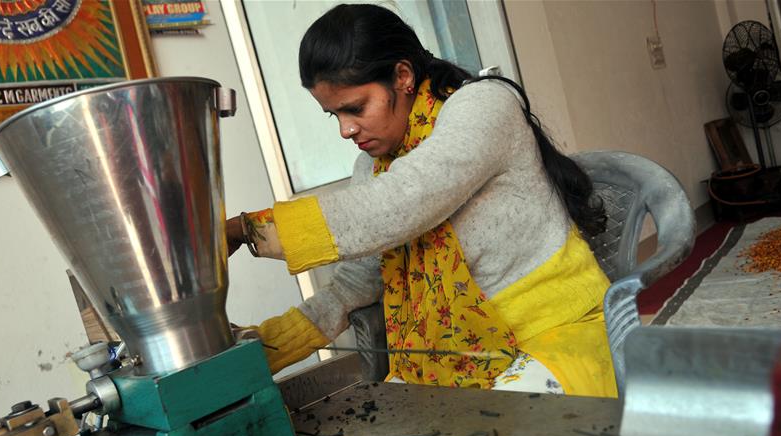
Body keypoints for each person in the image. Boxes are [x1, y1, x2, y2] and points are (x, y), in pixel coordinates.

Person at [226, 4, 616, 398]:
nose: (346, 129)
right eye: (334, 116)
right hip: (453, 355)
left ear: (403, 75)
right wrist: (260, 351)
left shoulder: (484, 106)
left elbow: (401, 204)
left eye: (355, 108)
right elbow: (353, 288)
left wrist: (244, 231)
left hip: (556, 335)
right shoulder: (374, 166)